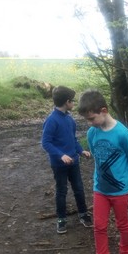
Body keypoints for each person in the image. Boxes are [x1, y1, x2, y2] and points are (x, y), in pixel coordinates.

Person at [78, 90, 128, 254]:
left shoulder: (122, 134)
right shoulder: (92, 133)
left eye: (92, 118)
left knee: (122, 224)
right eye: (87, 120)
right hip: (100, 188)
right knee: (99, 225)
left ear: (103, 111)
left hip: (120, 190)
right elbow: (96, 156)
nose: (90, 123)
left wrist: (126, 175)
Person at [42, 85, 92, 234]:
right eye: (72, 101)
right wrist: (61, 155)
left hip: (74, 162)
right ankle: (61, 219)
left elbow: (73, 139)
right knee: (61, 191)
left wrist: (80, 151)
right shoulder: (51, 120)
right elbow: (46, 143)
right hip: (59, 165)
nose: (73, 103)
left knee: (79, 188)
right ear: (67, 102)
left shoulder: (70, 119)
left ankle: (83, 213)